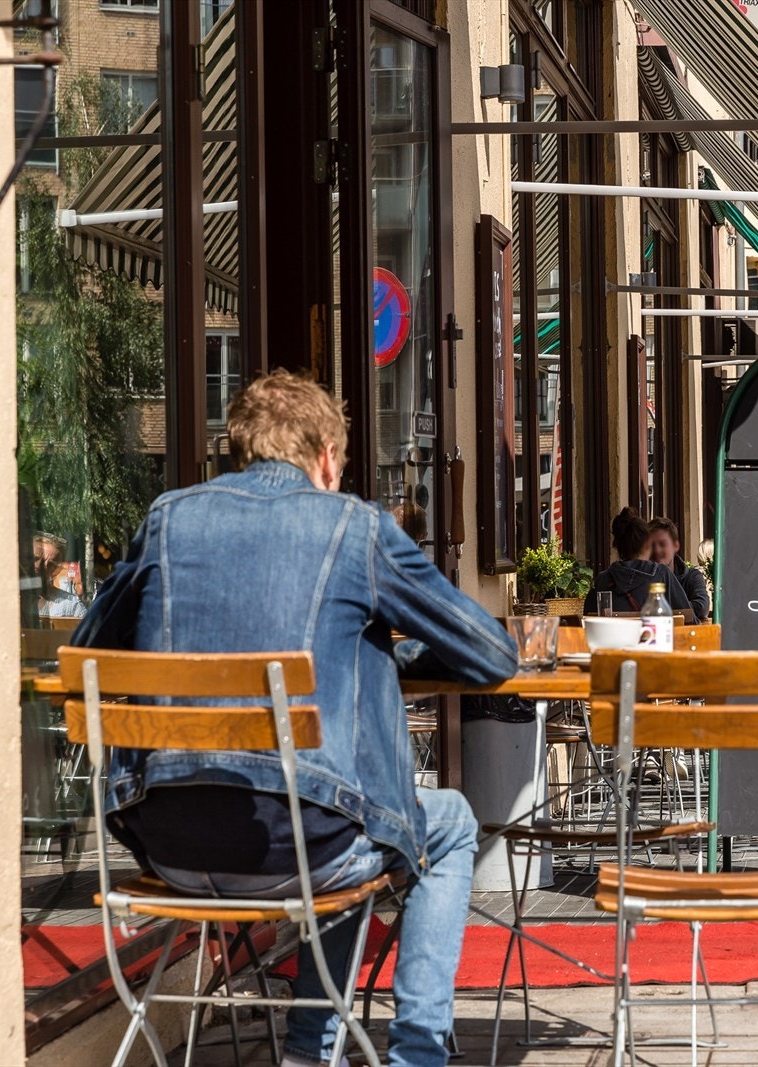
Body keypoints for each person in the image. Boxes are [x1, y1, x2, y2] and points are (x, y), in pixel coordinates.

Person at [72, 370, 518, 1067]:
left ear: (240, 449)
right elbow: (491, 653)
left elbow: (89, 652)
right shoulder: (355, 527)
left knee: (326, 799)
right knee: (438, 818)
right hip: (304, 846)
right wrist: (381, 649)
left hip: (167, 847)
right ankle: (414, 1056)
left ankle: (314, 1049)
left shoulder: (166, 517)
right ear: (328, 458)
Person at [593, 507, 694, 621]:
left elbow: (586, 620)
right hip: (653, 638)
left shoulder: (602, 580)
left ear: (617, 546)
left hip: (611, 639)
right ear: (647, 544)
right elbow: (689, 619)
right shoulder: (661, 574)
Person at [647, 517, 711, 623]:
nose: (657, 550)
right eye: (652, 545)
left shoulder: (692, 576)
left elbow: (702, 606)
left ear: (675, 546)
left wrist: (660, 608)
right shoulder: (641, 577)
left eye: (662, 544)